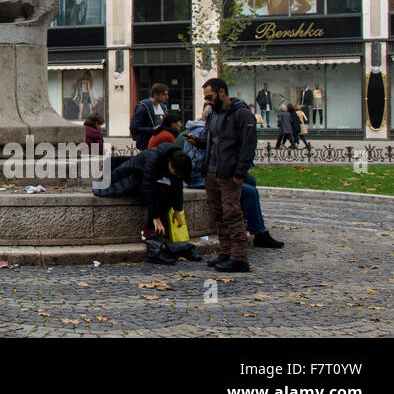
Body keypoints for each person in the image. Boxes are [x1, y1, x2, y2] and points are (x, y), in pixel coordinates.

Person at [184, 111, 284, 250]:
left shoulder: (207, 132)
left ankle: (251, 222)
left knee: (251, 181)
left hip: (215, 172)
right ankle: (259, 233)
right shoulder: (205, 131)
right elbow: (205, 160)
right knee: (249, 192)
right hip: (205, 177)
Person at [190, 78, 257, 272]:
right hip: (211, 171)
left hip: (229, 173)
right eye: (205, 98)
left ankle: (240, 257)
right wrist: (198, 142)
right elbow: (212, 140)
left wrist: (240, 173)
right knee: (218, 213)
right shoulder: (213, 114)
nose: (207, 101)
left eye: (209, 97)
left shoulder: (242, 114)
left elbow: (248, 145)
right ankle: (226, 251)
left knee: (232, 214)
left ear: (221, 92)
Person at [93, 144, 193, 262]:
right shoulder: (153, 159)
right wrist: (156, 217)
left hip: (145, 182)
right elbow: (148, 188)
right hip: (130, 179)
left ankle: (155, 234)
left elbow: (177, 185)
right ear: (170, 163)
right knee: (160, 192)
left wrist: (177, 209)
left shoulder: (176, 161)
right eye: (175, 172)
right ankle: (150, 232)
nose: (175, 175)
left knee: (166, 191)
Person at [130, 83, 169, 150]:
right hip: (147, 144)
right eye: (164, 94)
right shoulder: (143, 107)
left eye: (167, 94)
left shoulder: (163, 107)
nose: (167, 97)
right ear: (155, 95)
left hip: (160, 144)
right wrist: (152, 130)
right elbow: (134, 127)